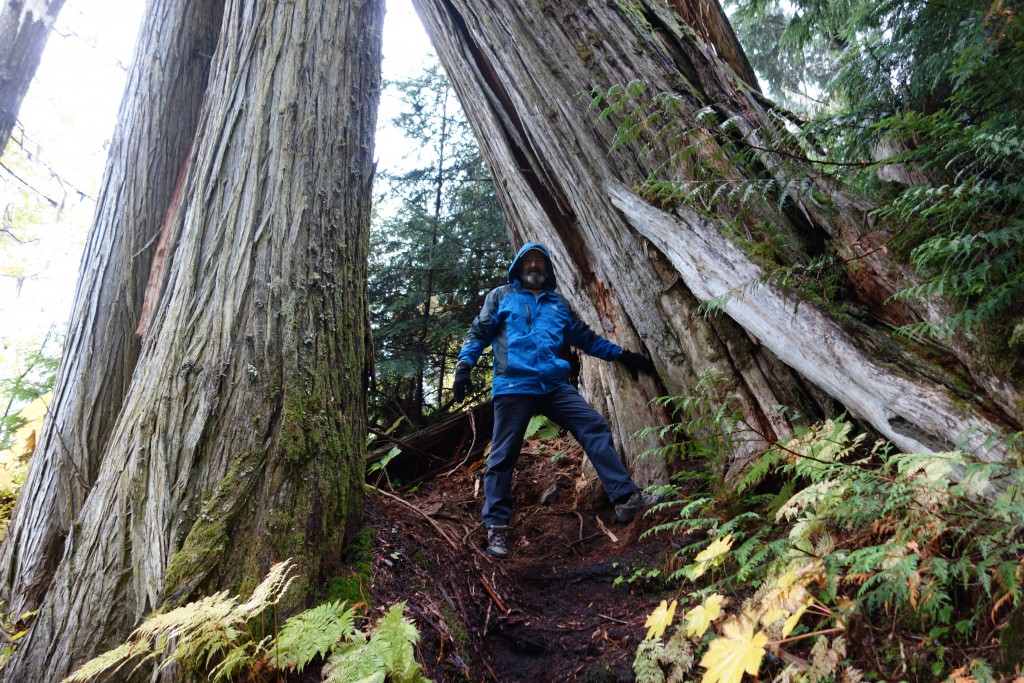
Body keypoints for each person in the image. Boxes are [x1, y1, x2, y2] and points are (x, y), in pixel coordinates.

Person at [454, 242, 662, 558]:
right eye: (529, 261)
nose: (534, 266)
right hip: (513, 387)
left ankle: (625, 499)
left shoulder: (557, 305)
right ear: (519, 267)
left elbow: (586, 339)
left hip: (553, 385)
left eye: (540, 261)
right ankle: (497, 529)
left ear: (548, 269)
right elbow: (478, 333)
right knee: (502, 457)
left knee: (593, 426)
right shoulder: (501, 297)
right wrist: (464, 366)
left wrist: (622, 355)